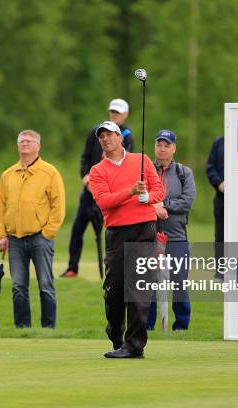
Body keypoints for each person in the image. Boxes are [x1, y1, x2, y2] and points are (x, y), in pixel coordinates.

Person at [89, 121, 164, 358]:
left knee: (139, 291)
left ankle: (134, 346)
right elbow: (104, 201)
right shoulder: (97, 171)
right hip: (117, 233)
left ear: (120, 138)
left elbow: (159, 191)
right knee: (114, 293)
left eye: (110, 134)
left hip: (144, 229)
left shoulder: (141, 160)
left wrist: (147, 196)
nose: (106, 139)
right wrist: (130, 192)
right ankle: (116, 331)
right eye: (101, 136)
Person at [0, 130, 65, 328]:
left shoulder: (50, 172)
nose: (24, 143)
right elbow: (2, 208)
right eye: (21, 141)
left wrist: (47, 233)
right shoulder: (8, 175)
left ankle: (48, 329)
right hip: (14, 239)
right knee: (18, 286)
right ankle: (22, 329)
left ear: (38, 146)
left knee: (45, 285)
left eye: (29, 140)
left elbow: (58, 207)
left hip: (40, 238)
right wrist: (2, 234)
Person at [61, 99, 134, 278]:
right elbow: (85, 157)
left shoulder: (127, 136)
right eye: (112, 112)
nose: (114, 115)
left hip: (111, 194)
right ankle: (72, 268)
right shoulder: (96, 132)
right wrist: (86, 178)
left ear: (125, 115)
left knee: (111, 232)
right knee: (77, 228)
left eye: (117, 113)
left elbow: (123, 165)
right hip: (88, 191)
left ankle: (113, 269)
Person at [150, 130, 196, 331]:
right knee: (148, 283)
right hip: (148, 235)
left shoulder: (184, 173)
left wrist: (163, 205)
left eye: (166, 145)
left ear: (174, 148)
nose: (162, 148)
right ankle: (147, 325)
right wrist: (154, 207)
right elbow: (138, 198)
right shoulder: (145, 170)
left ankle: (181, 326)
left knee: (179, 283)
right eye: (159, 144)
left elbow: (186, 202)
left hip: (176, 236)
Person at [206, 136, 224, 279]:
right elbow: (210, 167)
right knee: (220, 236)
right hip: (221, 196)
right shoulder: (219, 142)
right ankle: (221, 271)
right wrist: (219, 183)